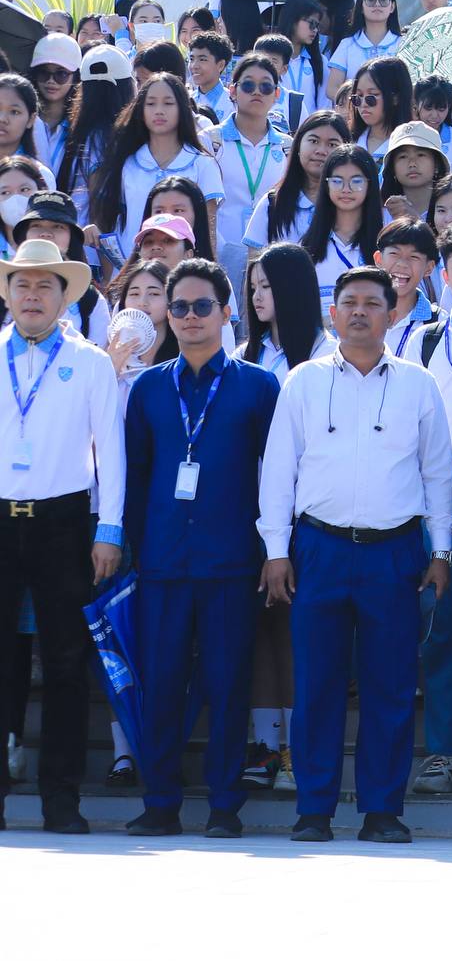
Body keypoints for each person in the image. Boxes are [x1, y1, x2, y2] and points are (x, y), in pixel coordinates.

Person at [255, 266, 452, 843]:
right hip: (318, 548)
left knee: (390, 685)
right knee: (316, 684)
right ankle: (313, 810)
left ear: (392, 314)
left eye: (372, 303)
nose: (360, 311)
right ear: (333, 313)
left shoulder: (418, 384)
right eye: (349, 302)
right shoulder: (303, 382)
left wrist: (441, 549)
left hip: (394, 551)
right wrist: (275, 550)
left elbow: (437, 473)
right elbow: (279, 470)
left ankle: (382, 811)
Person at [121, 258, 279, 838]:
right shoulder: (148, 388)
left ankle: (224, 807)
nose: (190, 317)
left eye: (202, 306)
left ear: (226, 311)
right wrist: (136, 548)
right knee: (161, 684)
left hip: (231, 561)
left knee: (228, 684)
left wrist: (271, 549)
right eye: (180, 307)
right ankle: (160, 803)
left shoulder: (258, 386)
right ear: (168, 314)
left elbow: (276, 476)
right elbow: (136, 476)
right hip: (163, 562)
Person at [0, 240, 124, 833]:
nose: (32, 295)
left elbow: (112, 452)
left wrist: (110, 528)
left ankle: (61, 797)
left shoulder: (90, 362)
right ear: (7, 293)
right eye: (21, 284)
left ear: (63, 296)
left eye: (44, 285)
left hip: (65, 522)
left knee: (67, 662)